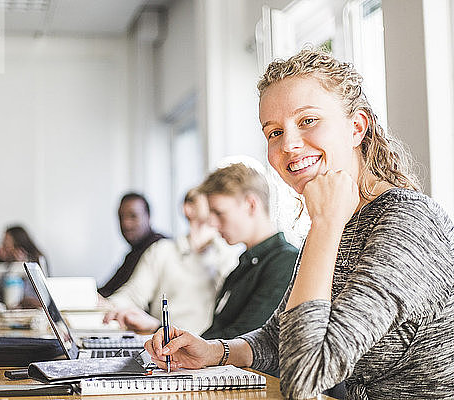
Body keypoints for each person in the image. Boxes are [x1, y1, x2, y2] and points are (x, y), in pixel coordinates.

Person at [144, 48, 454, 400]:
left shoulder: (409, 225)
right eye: (273, 132)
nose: (288, 144)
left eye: (307, 120)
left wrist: (324, 225)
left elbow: (304, 380)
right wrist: (218, 351)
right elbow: (279, 338)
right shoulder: (339, 220)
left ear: (357, 127)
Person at [103, 187, 238, 334]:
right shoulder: (161, 250)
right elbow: (133, 294)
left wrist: (216, 244)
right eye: (208, 202)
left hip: (209, 348)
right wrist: (107, 306)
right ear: (188, 209)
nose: (214, 209)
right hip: (165, 347)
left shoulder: (227, 256)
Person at [198, 162, 298, 339]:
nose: (212, 223)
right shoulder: (245, 265)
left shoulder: (285, 262)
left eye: (219, 212)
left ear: (251, 204)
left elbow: (247, 337)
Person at [98, 192, 166, 298]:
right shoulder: (133, 254)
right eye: (121, 217)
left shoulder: (160, 249)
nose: (126, 224)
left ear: (148, 217)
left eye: (133, 216)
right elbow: (108, 290)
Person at [0, 225, 47, 307]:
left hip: (33, 308)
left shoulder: (36, 260)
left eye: (6, 242)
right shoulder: (8, 261)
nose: (3, 246)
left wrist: (21, 266)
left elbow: (35, 295)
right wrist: (0, 260)